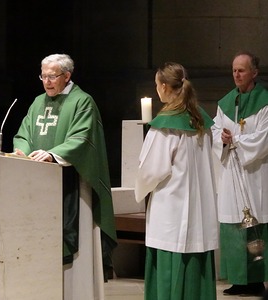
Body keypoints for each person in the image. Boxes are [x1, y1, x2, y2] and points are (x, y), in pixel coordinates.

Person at [13, 53, 117, 300]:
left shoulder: (83, 102)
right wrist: (22, 151)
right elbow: (24, 133)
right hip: (40, 187)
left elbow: (82, 138)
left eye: (52, 76)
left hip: (74, 184)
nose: (47, 82)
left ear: (67, 76)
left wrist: (52, 154)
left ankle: (76, 294)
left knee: (75, 248)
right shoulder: (38, 102)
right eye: (43, 76)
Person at [135, 62, 219, 300]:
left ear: (163, 87)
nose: (156, 89)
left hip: (170, 210)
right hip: (198, 211)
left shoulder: (165, 127)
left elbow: (151, 171)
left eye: (156, 85)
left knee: (170, 268)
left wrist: (140, 189)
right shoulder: (199, 119)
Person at [212, 50, 268, 296]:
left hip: (256, 172)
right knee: (233, 223)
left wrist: (236, 140)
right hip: (232, 171)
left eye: (241, 70)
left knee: (257, 222)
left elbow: (264, 137)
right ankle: (238, 280)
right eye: (234, 69)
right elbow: (215, 131)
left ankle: (257, 280)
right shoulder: (225, 103)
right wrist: (223, 139)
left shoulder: (264, 101)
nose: (236, 74)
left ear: (254, 73)